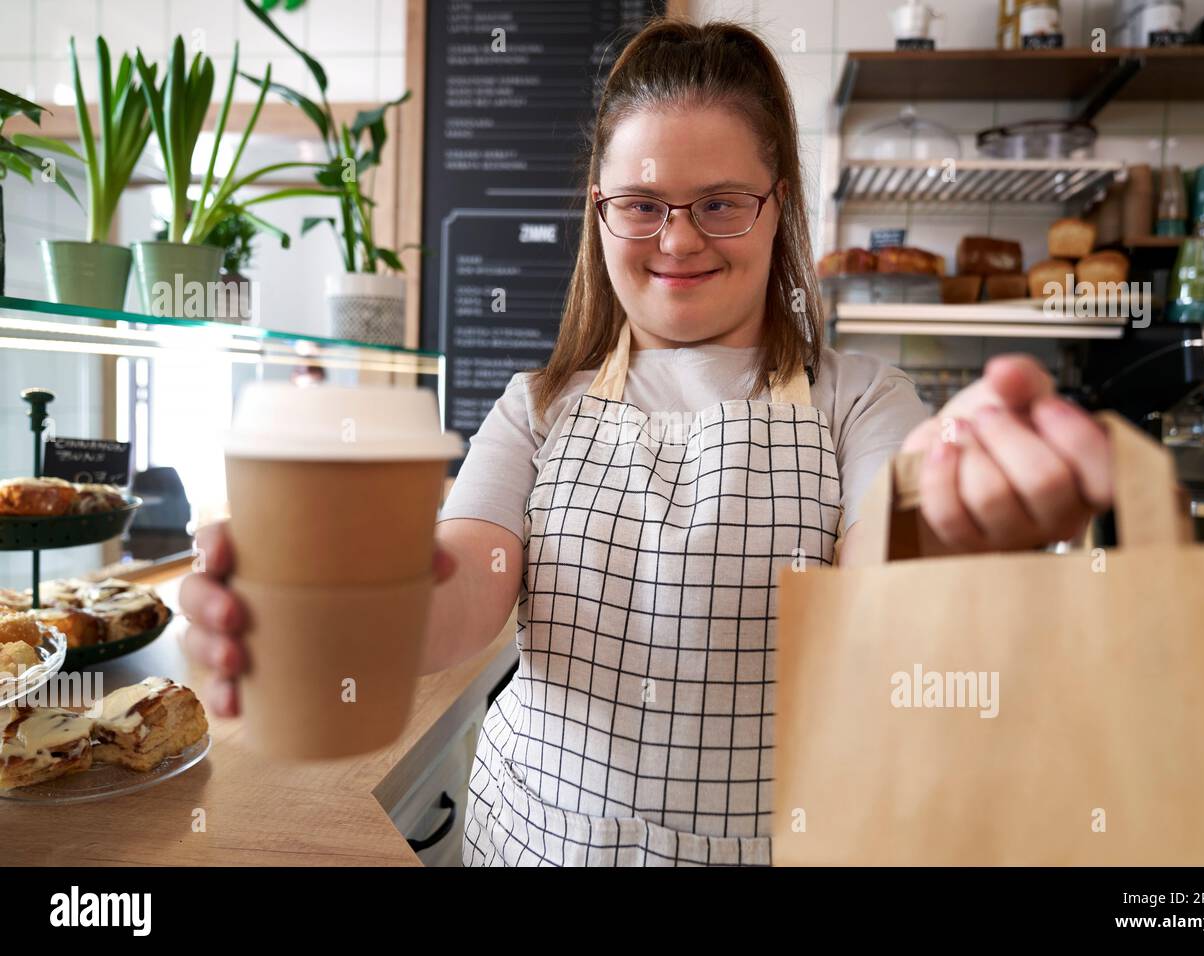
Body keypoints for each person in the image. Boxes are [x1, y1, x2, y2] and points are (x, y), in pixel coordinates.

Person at [179, 18, 1112, 867]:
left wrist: (948, 527)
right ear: (600, 210)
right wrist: (352, 600)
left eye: (720, 202)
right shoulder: (537, 406)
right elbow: (469, 582)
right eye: (643, 203)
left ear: (776, 205)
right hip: (536, 840)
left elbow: (886, 554)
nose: (677, 239)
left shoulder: (860, 400)